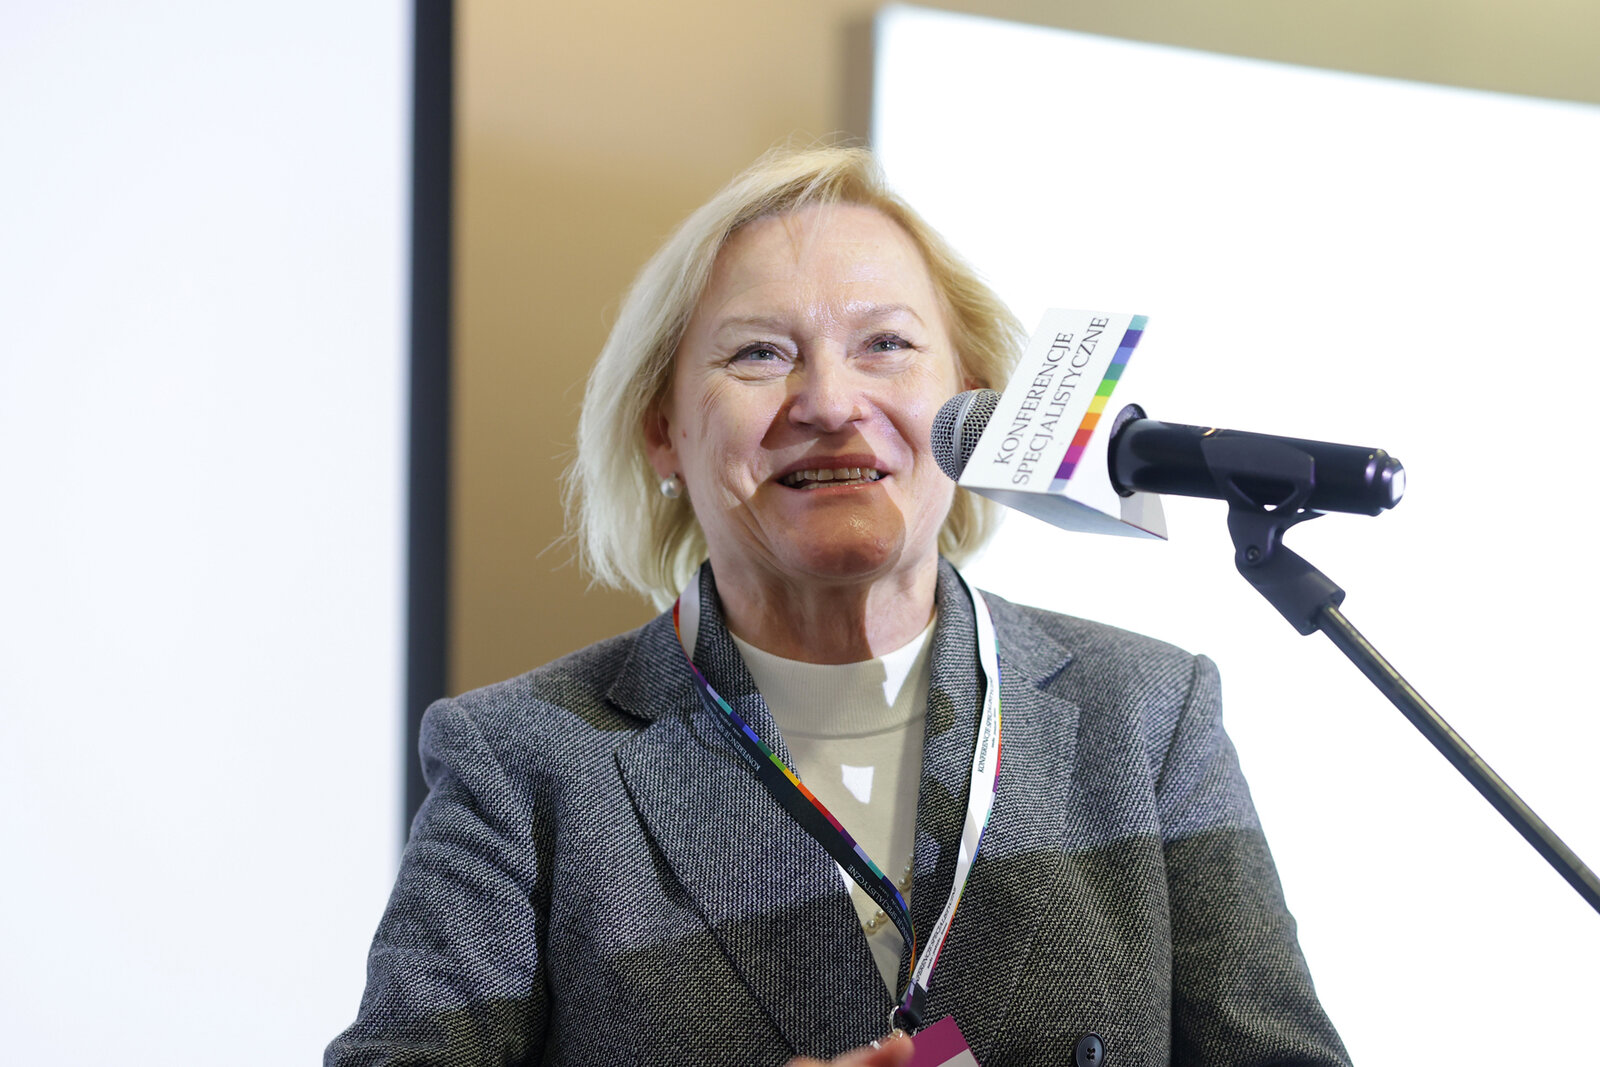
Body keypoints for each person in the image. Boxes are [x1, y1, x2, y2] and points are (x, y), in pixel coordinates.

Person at [327, 145, 1350, 1066]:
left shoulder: (1147, 713)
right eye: (758, 353)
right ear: (661, 431)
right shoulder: (524, 761)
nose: (828, 401)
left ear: (977, 410)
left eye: (886, 345)